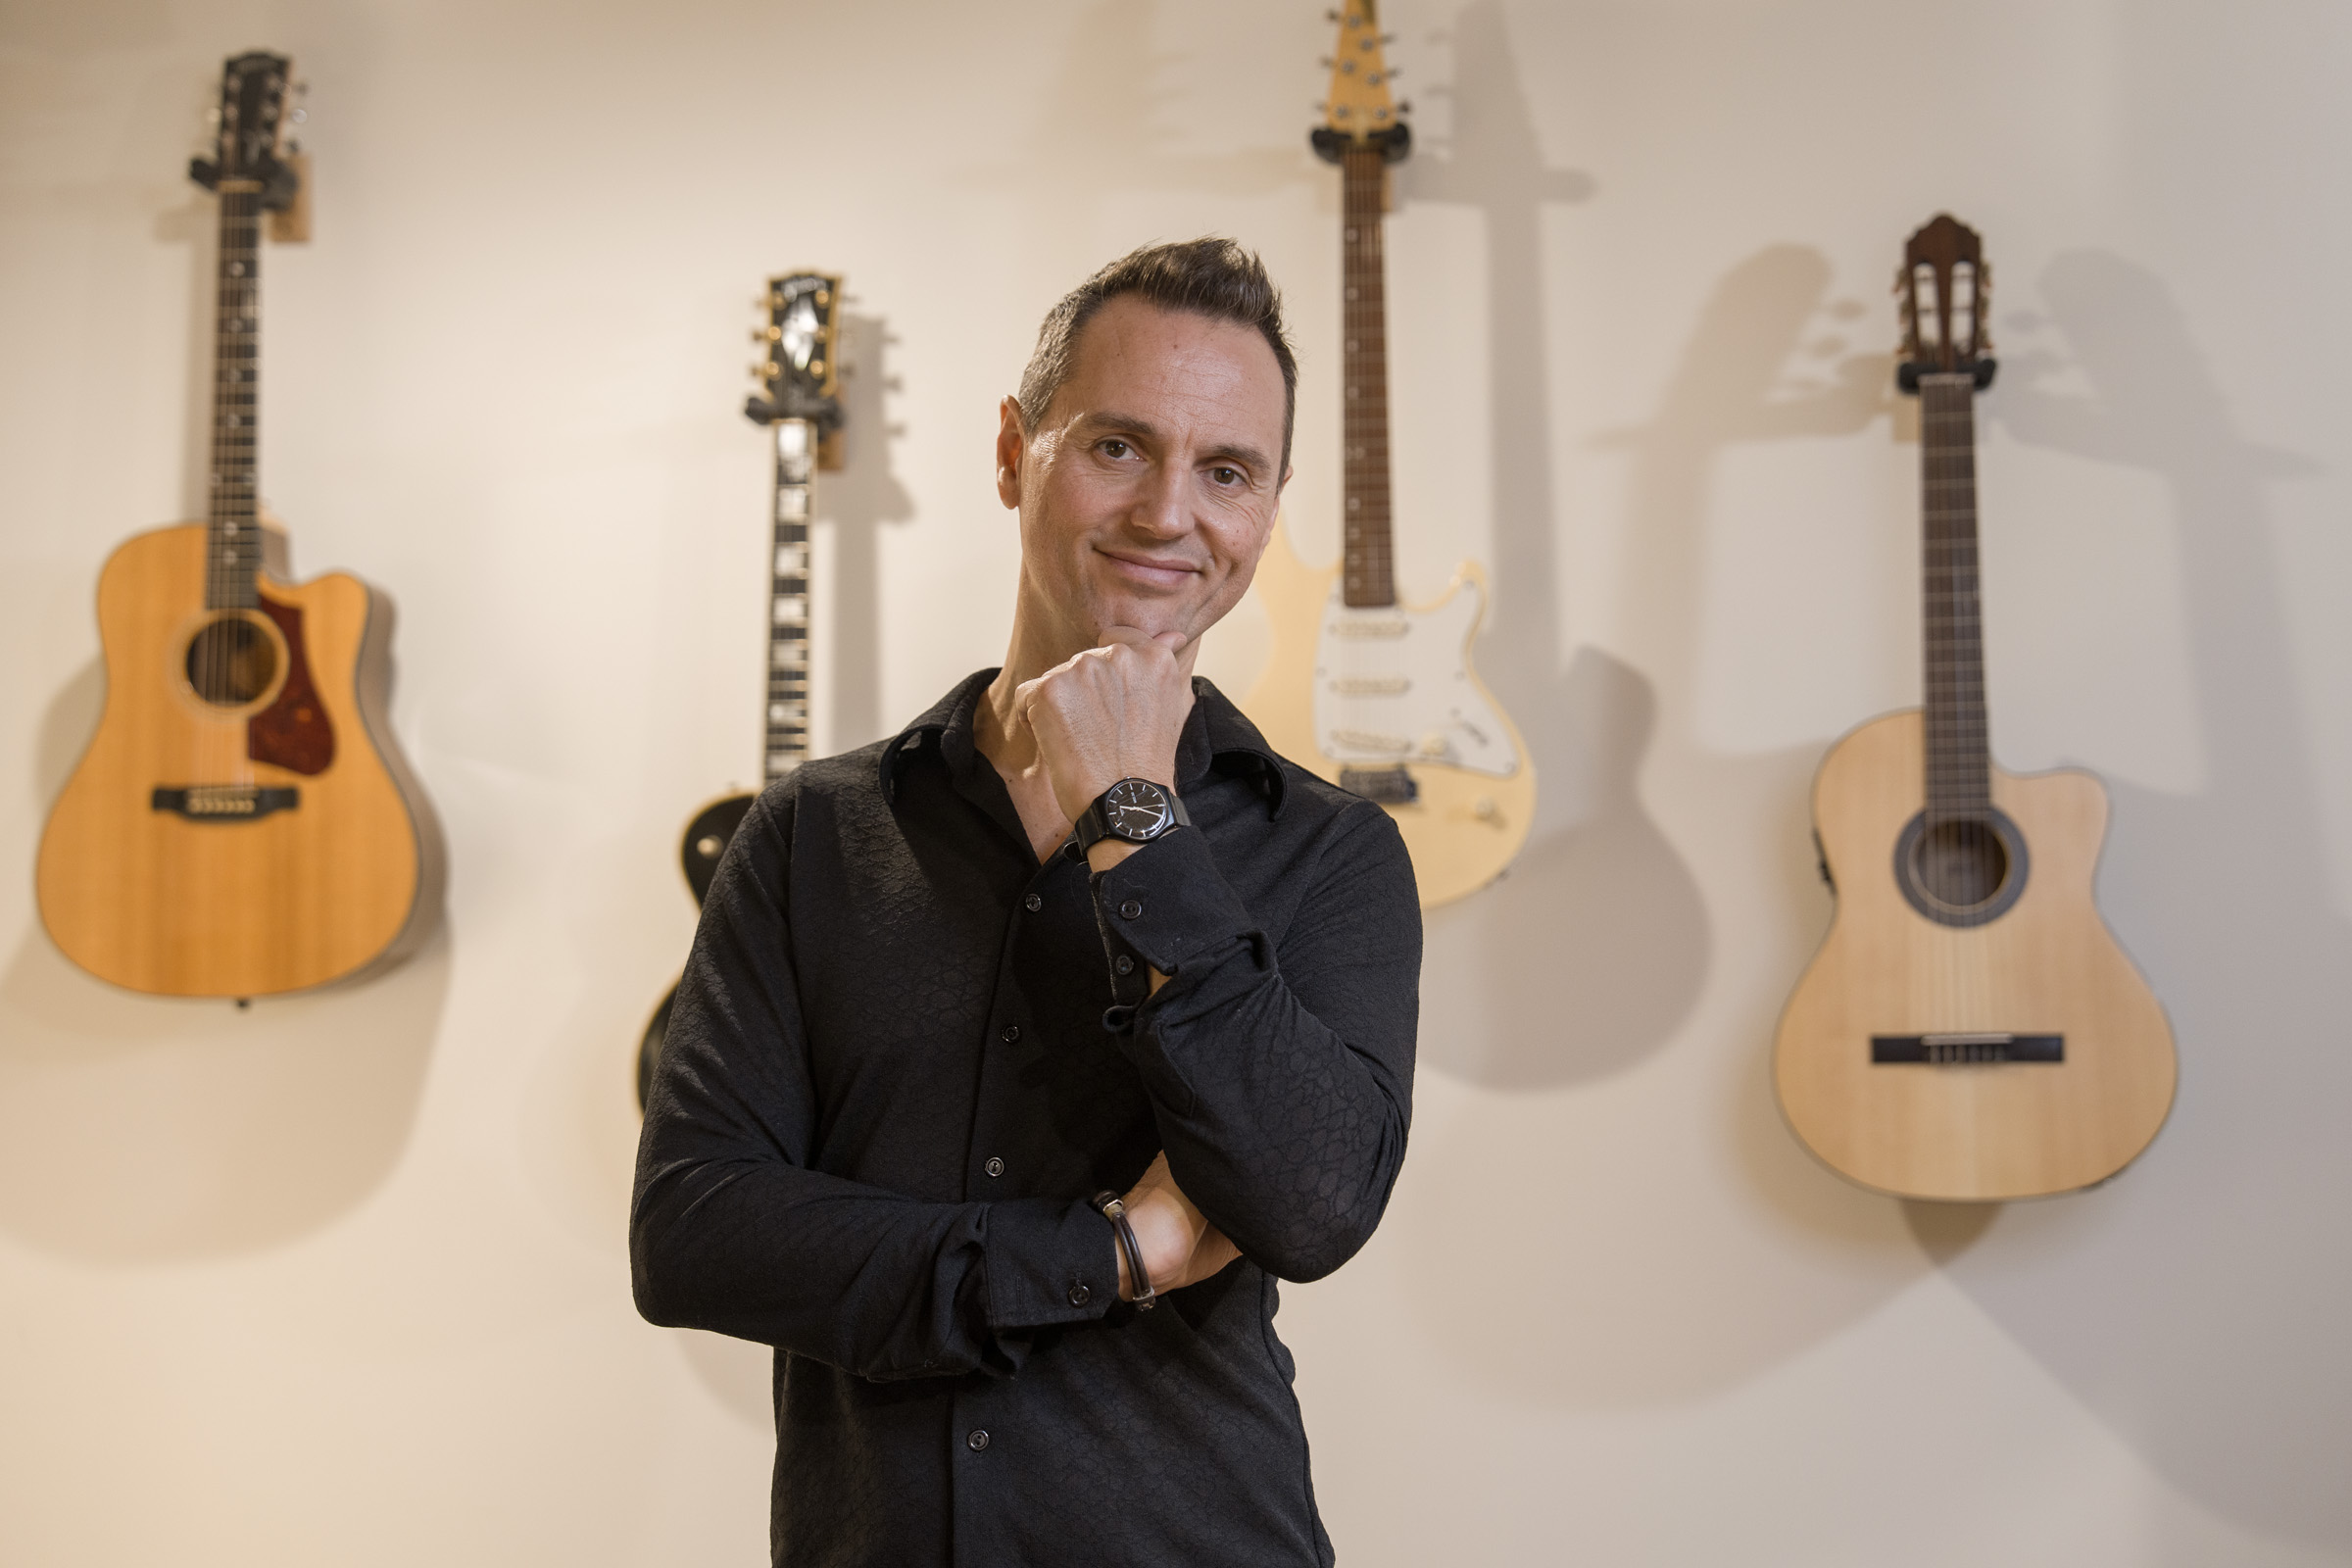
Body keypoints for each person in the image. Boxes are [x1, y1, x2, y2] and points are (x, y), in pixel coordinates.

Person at [632, 237, 1421, 1567]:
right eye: (1118, 446)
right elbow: (698, 1234)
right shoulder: (812, 838)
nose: (1172, 514)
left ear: (1267, 510)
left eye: (1226, 472)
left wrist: (1133, 812)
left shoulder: (1332, 853)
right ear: (1015, 454)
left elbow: (1312, 1201)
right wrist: (1108, 1253)